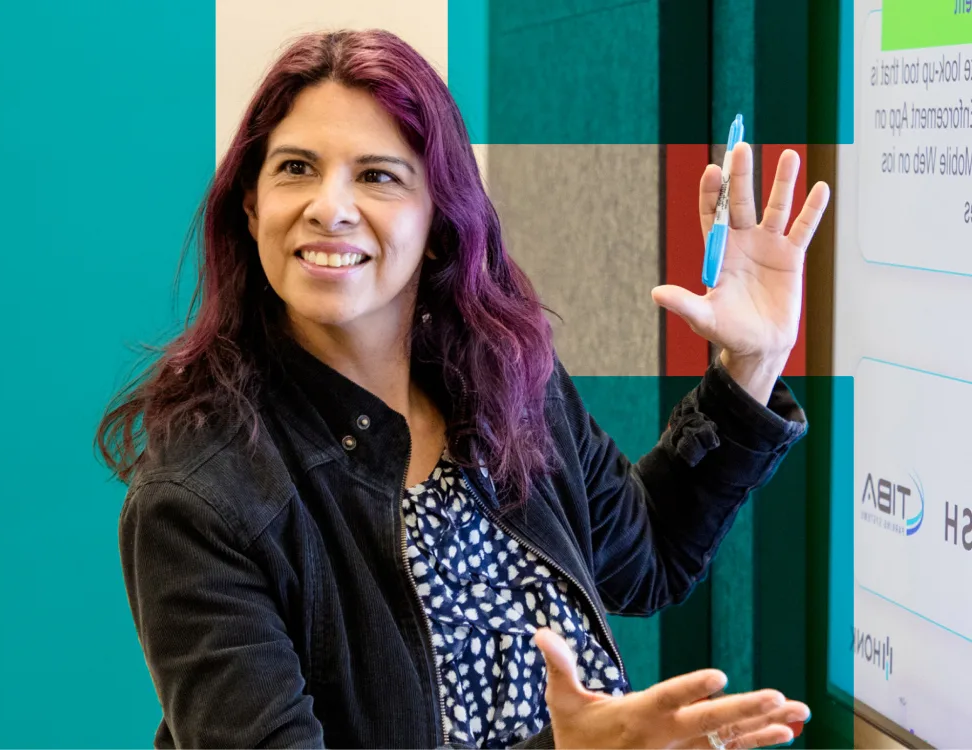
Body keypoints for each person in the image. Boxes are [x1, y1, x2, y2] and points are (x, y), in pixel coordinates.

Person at [97, 28, 828, 750]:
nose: (329, 206)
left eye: (378, 175)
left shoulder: (511, 383)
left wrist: (751, 363)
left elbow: (647, 559)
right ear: (252, 208)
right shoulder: (199, 501)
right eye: (296, 168)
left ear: (440, 224)